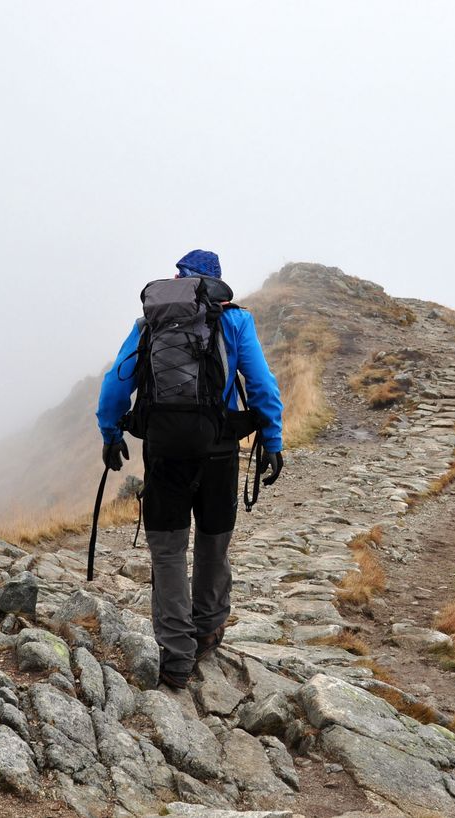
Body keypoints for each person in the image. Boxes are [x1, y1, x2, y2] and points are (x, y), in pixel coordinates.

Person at [96, 249, 284, 688]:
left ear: (177, 279)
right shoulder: (235, 321)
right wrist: (271, 439)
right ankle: (208, 630)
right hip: (218, 453)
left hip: (163, 454)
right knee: (213, 545)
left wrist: (111, 434)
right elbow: (260, 384)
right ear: (215, 283)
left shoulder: (149, 324)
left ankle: (176, 657)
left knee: (167, 552)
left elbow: (115, 384)